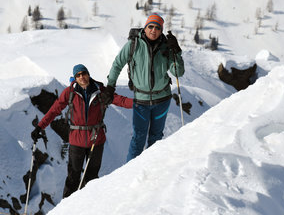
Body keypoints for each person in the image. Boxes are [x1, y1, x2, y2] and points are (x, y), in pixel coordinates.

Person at [31, 64, 133, 198]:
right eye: (78, 75)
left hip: (96, 140)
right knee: (73, 177)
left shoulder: (100, 91)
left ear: (88, 74)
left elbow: (120, 100)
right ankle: (66, 209)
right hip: (76, 141)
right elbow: (54, 110)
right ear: (75, 78)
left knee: (92, 178)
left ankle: (88, 206)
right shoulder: (69, 92)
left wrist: (139, 102)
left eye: (83, 73)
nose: (81, 77)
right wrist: (40, 127)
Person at [101, 13, 185, 162]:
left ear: (161, 30)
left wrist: (176, 52)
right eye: (150, 26)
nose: (153, 30)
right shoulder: (133, 44)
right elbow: (117, 64)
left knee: (156, 137)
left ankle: (151, 172)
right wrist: (110, 87)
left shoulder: (167, 47)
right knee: (138, 137)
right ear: (145, 28)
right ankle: (129, 173)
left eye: (157, 28)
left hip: (162, 99)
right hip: (141, 100)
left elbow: (178, 72)